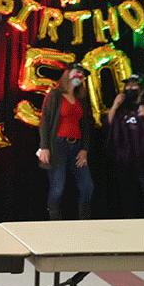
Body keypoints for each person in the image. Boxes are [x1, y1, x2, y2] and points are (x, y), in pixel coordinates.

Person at [36, 64, 95, 220]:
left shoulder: (81, 99)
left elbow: (86, 126)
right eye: (77, 72)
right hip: (58, 146)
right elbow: (45, 121)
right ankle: (55, 221)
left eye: (82, 74)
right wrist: (44, 147)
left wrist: (85, 149)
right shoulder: (55, 95)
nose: (80, 75)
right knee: (58, 187)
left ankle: (85, 220)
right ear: (67, 73)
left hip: (76, 147)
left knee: (87, 186)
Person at [107, 74, 144, 217]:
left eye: (134, 85)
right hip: (125, 161)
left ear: (142, 87)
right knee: (128, 203)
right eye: (127, 85)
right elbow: (109, 125)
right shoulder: (122, 104)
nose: (130, 88)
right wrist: (115, 106)